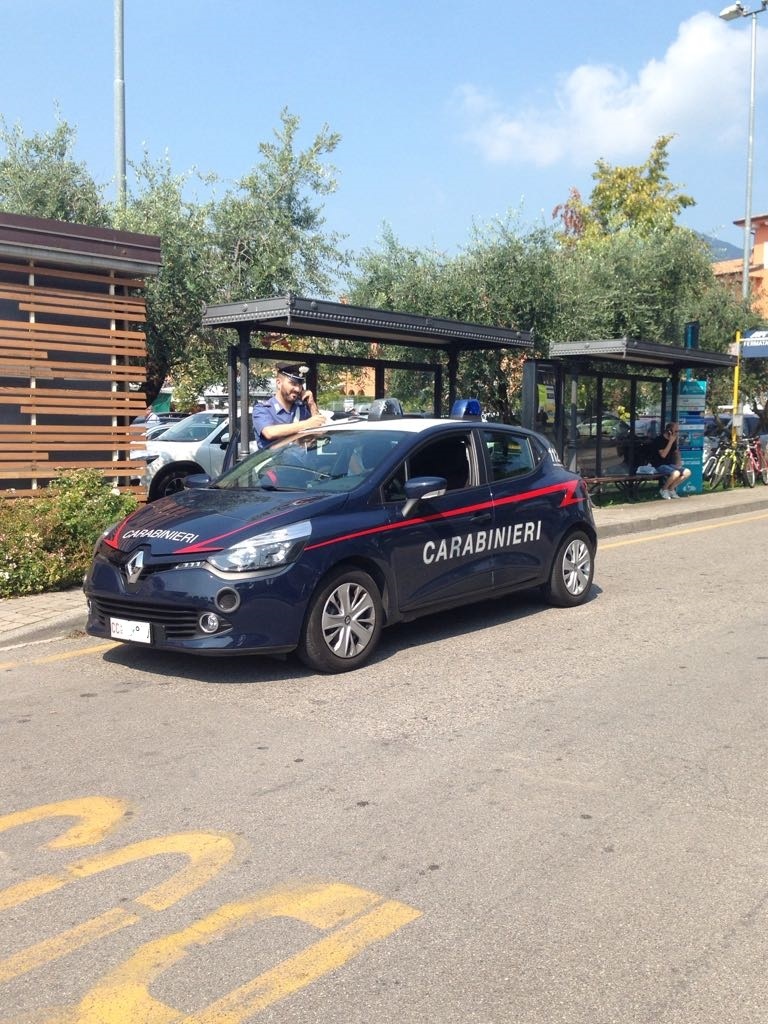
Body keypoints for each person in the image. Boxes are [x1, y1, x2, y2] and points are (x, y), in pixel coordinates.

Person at [251, 362, 326, 449]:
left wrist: (311, 404)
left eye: (300, 385)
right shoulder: (263, 409)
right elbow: (270, 433)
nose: (298, 389)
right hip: (275, 462)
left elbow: (319, 432)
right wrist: (307, 424)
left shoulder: (301, 409)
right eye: (293, 384)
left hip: (299, 461)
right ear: (279, 383)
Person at [650, 421, 691, 499]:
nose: (677, 433)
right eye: (675, 431)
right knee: (676, 473)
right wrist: (670, 442)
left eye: (678, 431)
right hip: (659, 464)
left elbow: (676, 452)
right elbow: (663, 455)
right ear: (669, 431)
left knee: (687, 472)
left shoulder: (673, 440)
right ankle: (663, 489)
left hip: (670, 464)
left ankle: (671, 489)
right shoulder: (659, 440)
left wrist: (679, 463)